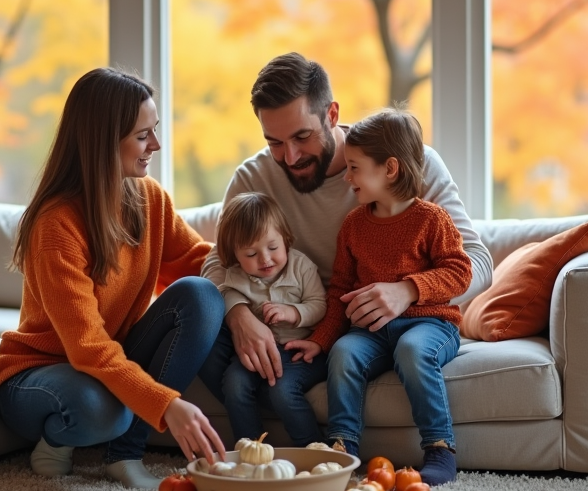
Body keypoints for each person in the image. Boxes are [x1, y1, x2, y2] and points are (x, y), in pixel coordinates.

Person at [199, 52, 492, 408]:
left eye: (302, 136)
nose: (290, 157)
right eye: (274, 142)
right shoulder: (253, 177)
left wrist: (406, 291)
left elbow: (479, 263)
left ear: (332, 115)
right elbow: (218, 263)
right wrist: (238, 315)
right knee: (197, 317)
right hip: (288, 326)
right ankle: (252, 451)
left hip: (366, 327)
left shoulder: (407, 164)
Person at [0, 67, 226, 488]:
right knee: (100, 408)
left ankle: (124, 454)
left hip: (103, 359)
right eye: (142, 135)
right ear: (102, 141)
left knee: (202, 295)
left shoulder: (149, 198)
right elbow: (87, 349)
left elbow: (199, 263)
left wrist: (258, 290)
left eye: (154, 130)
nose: (155, 144)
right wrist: (167, 404)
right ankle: (55, 438)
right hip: (39, 374)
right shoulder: (56, 224)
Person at [287, 109, 472, 485]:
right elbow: (340, 289)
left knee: (412, 350)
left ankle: (439, 447)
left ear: (390, 169)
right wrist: (321, 341)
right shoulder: (354, 225)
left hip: (431, 324)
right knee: (344, 352)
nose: (347, 177)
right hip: (371, 331)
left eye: (354, 168)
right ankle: (343, 448)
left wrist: (413, 289)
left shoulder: (432, 219)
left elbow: (460, 272)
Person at [213, 191, 328, 446]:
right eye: (251, 255)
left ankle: (313, 448)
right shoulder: (234, 276)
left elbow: (319, 305)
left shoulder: (302, 267)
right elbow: (221, 295)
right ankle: (251, 449)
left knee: (283, 391)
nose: (265, 259)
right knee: (234, 385)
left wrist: (293, 312)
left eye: (273, 248)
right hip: (257, 353)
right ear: (234, 255)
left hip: (302, 351)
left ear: (285, 239)